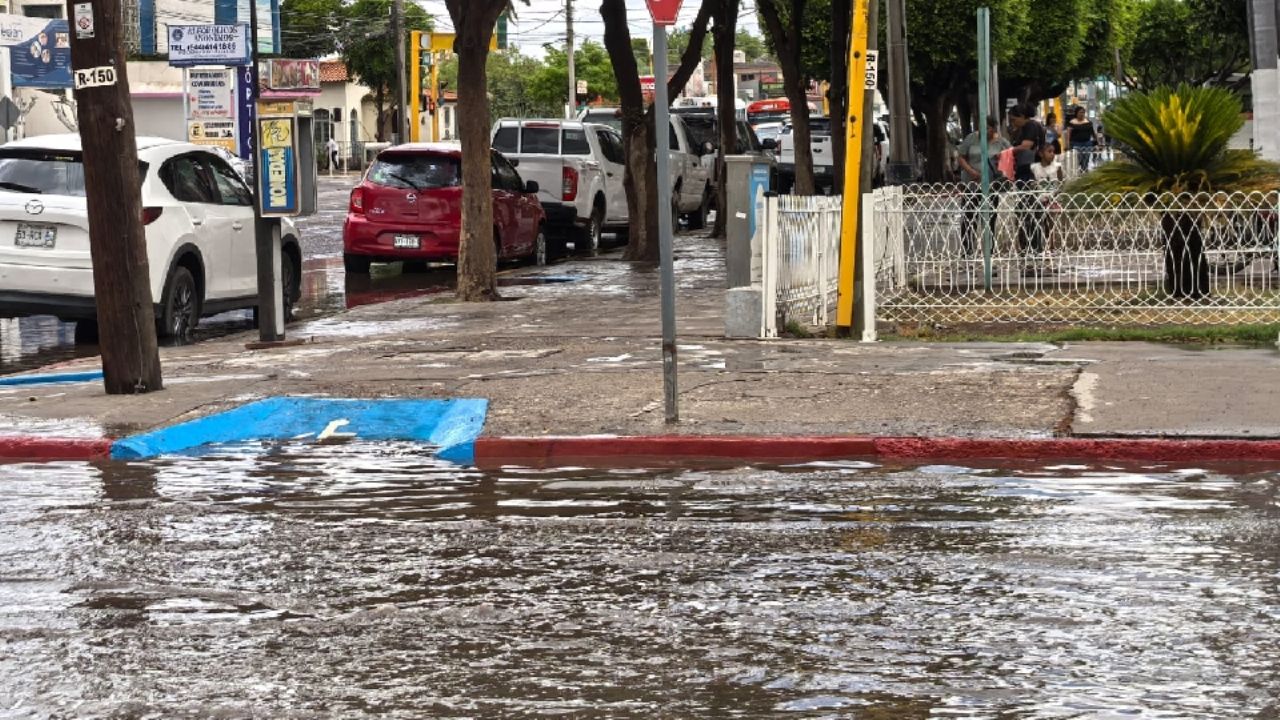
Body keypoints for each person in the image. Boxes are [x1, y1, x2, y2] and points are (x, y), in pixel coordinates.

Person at [955, 115, 1011, 255]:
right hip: (972, 183)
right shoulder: (971, 139)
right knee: (968, 217)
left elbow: (1010, 158)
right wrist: (971, 171)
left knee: (989, 218)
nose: (981, 131)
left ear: (993, 129)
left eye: (986, 128)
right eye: (980, 127)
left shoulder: (1001, 142)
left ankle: (988, 250)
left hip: (991, 186)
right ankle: (967, 250)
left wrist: (1001, 172)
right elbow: (961, 156)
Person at [1064, 106, 1098, 171]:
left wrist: (1096, 142)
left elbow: (1093, 132)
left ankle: (1085, 171)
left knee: (1086, 159)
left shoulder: (1088, 122)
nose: (1082, 114)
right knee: (1078, 159)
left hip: (1087, 144)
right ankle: (1078, 172)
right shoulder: (1072, 122)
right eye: (1080, 112)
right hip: (1075, 144)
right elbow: (1068, 134)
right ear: (1076, 113)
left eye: (1083, 112)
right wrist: (1067, 144)